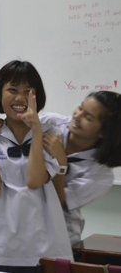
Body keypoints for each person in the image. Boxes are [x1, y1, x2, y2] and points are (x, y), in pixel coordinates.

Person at [0, 60, 73, 273]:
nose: (20, 98)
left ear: (37, 96)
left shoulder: (51, 134)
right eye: (12, 90)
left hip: (40, 244)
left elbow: (34, 181)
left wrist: (35, 131)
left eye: (28, 91)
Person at [41, 91, 121, 246]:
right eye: (80, 108)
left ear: (103, 132)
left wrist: (60, 164)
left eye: (88, 117)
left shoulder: (101, 175)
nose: (77, 116)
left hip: (58, 237)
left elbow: (57, 203)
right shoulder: (50, 124)